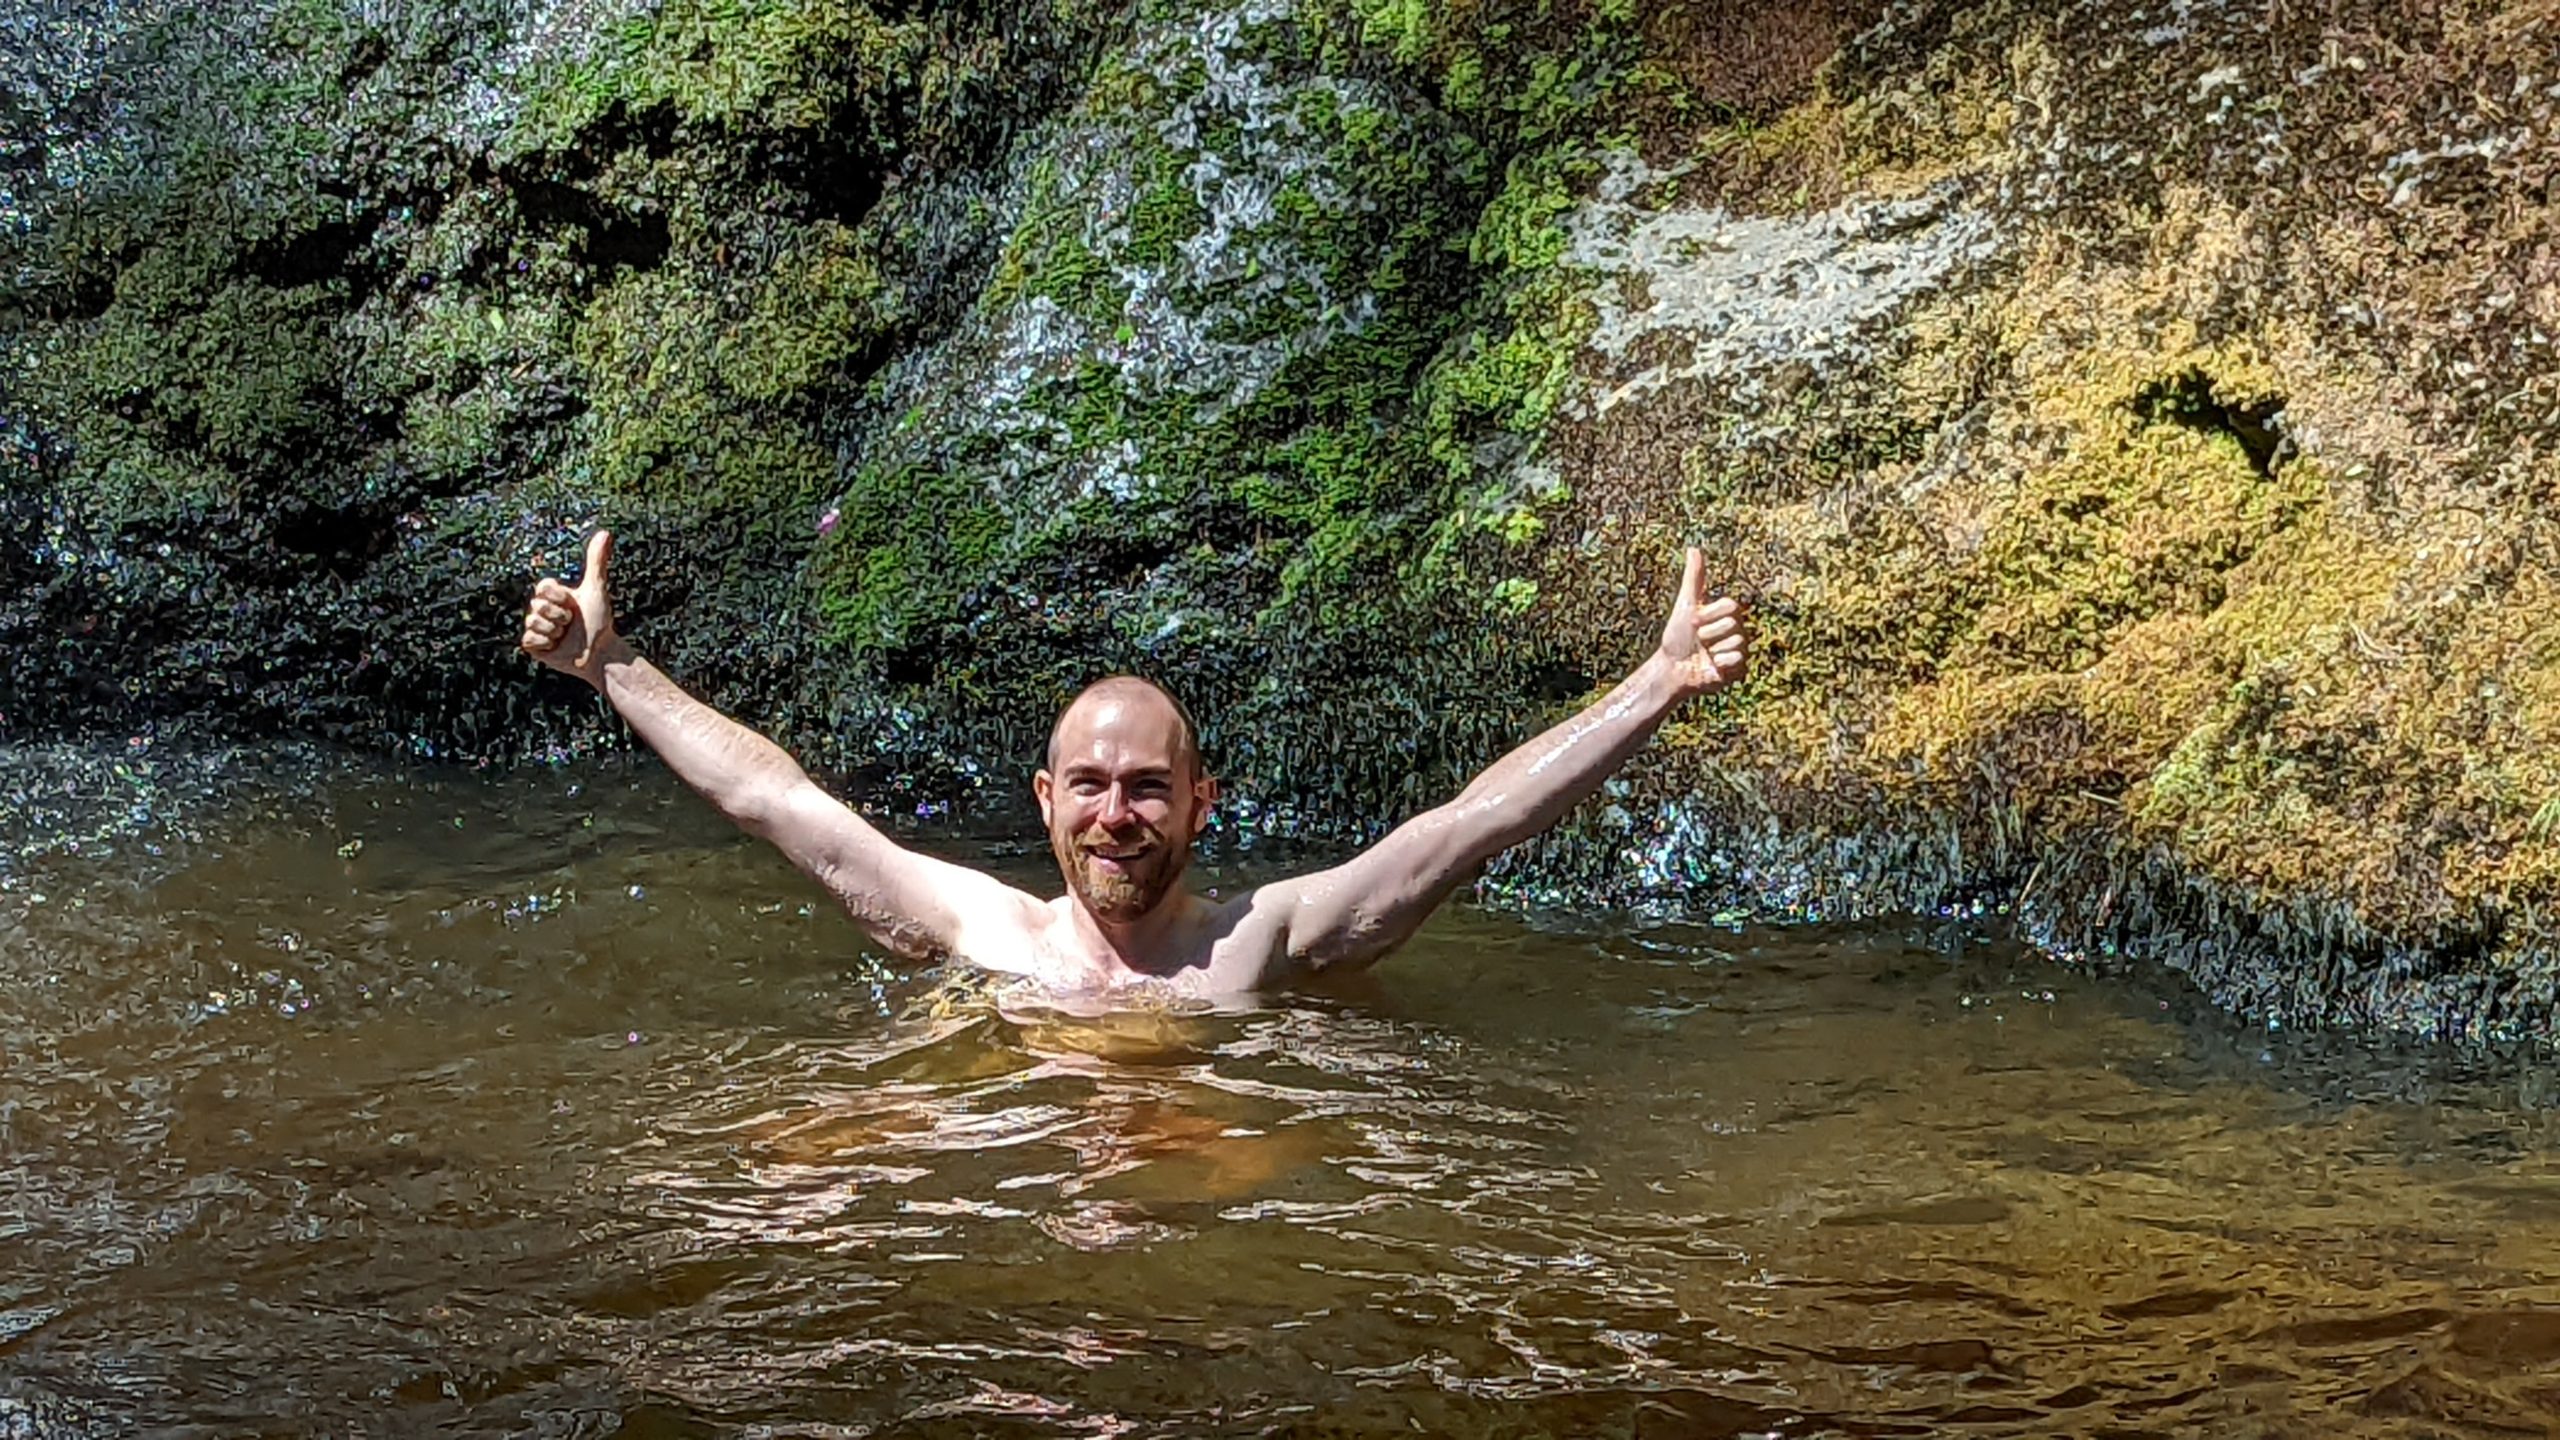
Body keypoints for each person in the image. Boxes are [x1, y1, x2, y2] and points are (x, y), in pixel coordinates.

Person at [518, 531, 1748, 995]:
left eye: (1149, 788)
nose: (1118, 817)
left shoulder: (1261, 942)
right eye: (1093, 788)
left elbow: (1474, 822)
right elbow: (772, 800)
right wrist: (610, 664)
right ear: (1046, 801)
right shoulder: (982, 929)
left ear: (1201, 802)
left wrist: (1654, 683)